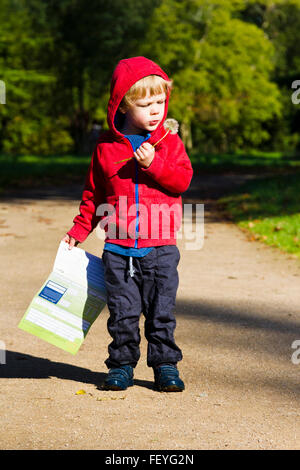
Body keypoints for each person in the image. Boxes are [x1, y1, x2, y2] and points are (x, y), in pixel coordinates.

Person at [62, 56, 193, 392]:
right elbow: (93, 194)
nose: (155, 110)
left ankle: (165, 365)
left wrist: (154, 164)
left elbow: (181, 181)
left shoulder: (168, 143)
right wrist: (79, 231)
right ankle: (121, 365)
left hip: (160, 247)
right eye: (145, 104)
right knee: (122, 313)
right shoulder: (106, 148)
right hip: (118, 248)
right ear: (122, 105)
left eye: (161, 102)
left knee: (161, 313)